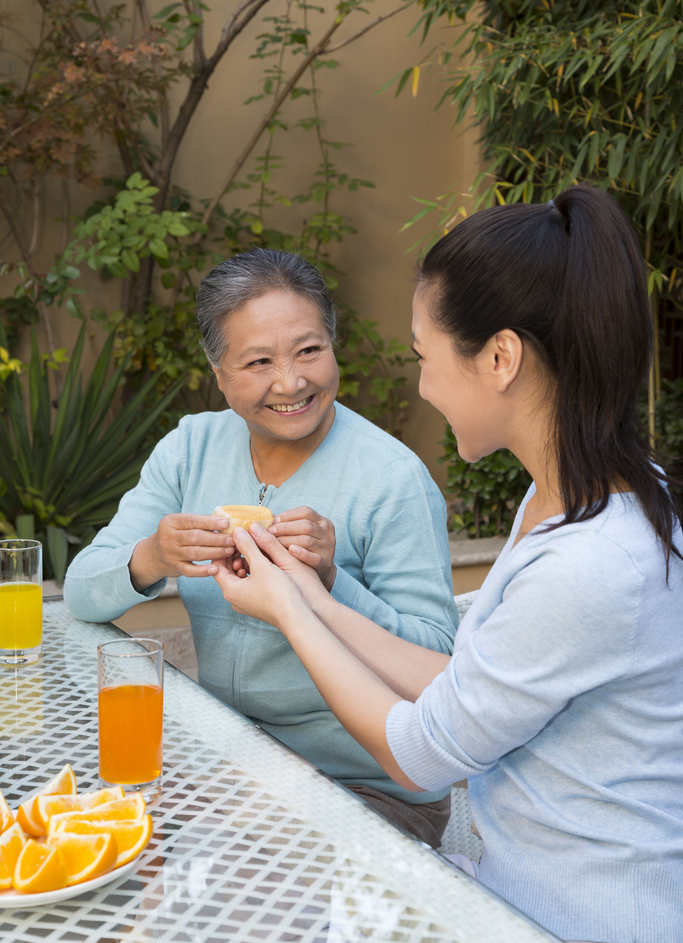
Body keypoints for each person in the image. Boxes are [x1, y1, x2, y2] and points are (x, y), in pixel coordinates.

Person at [209, 188, 683, 943]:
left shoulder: (594, 562)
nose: (422, 386)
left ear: (498, 357)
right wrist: (315, 594)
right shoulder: (573, 496)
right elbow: (465, 682)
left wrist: (289, 612)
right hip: (514, 891)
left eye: (423, 359)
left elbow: (421, 754)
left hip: (581, 919)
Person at [64, 248, 458, 848]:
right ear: (218, 372)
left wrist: (330, 581)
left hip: (368, 787)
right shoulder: (190, 449)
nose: (290, 382)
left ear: (334, 347)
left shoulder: (392, 479)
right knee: (89, 843)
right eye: (258, 361)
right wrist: (152, 555)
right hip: (227, 765)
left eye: (309, 350)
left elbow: (437, 668)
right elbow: (83, 589)